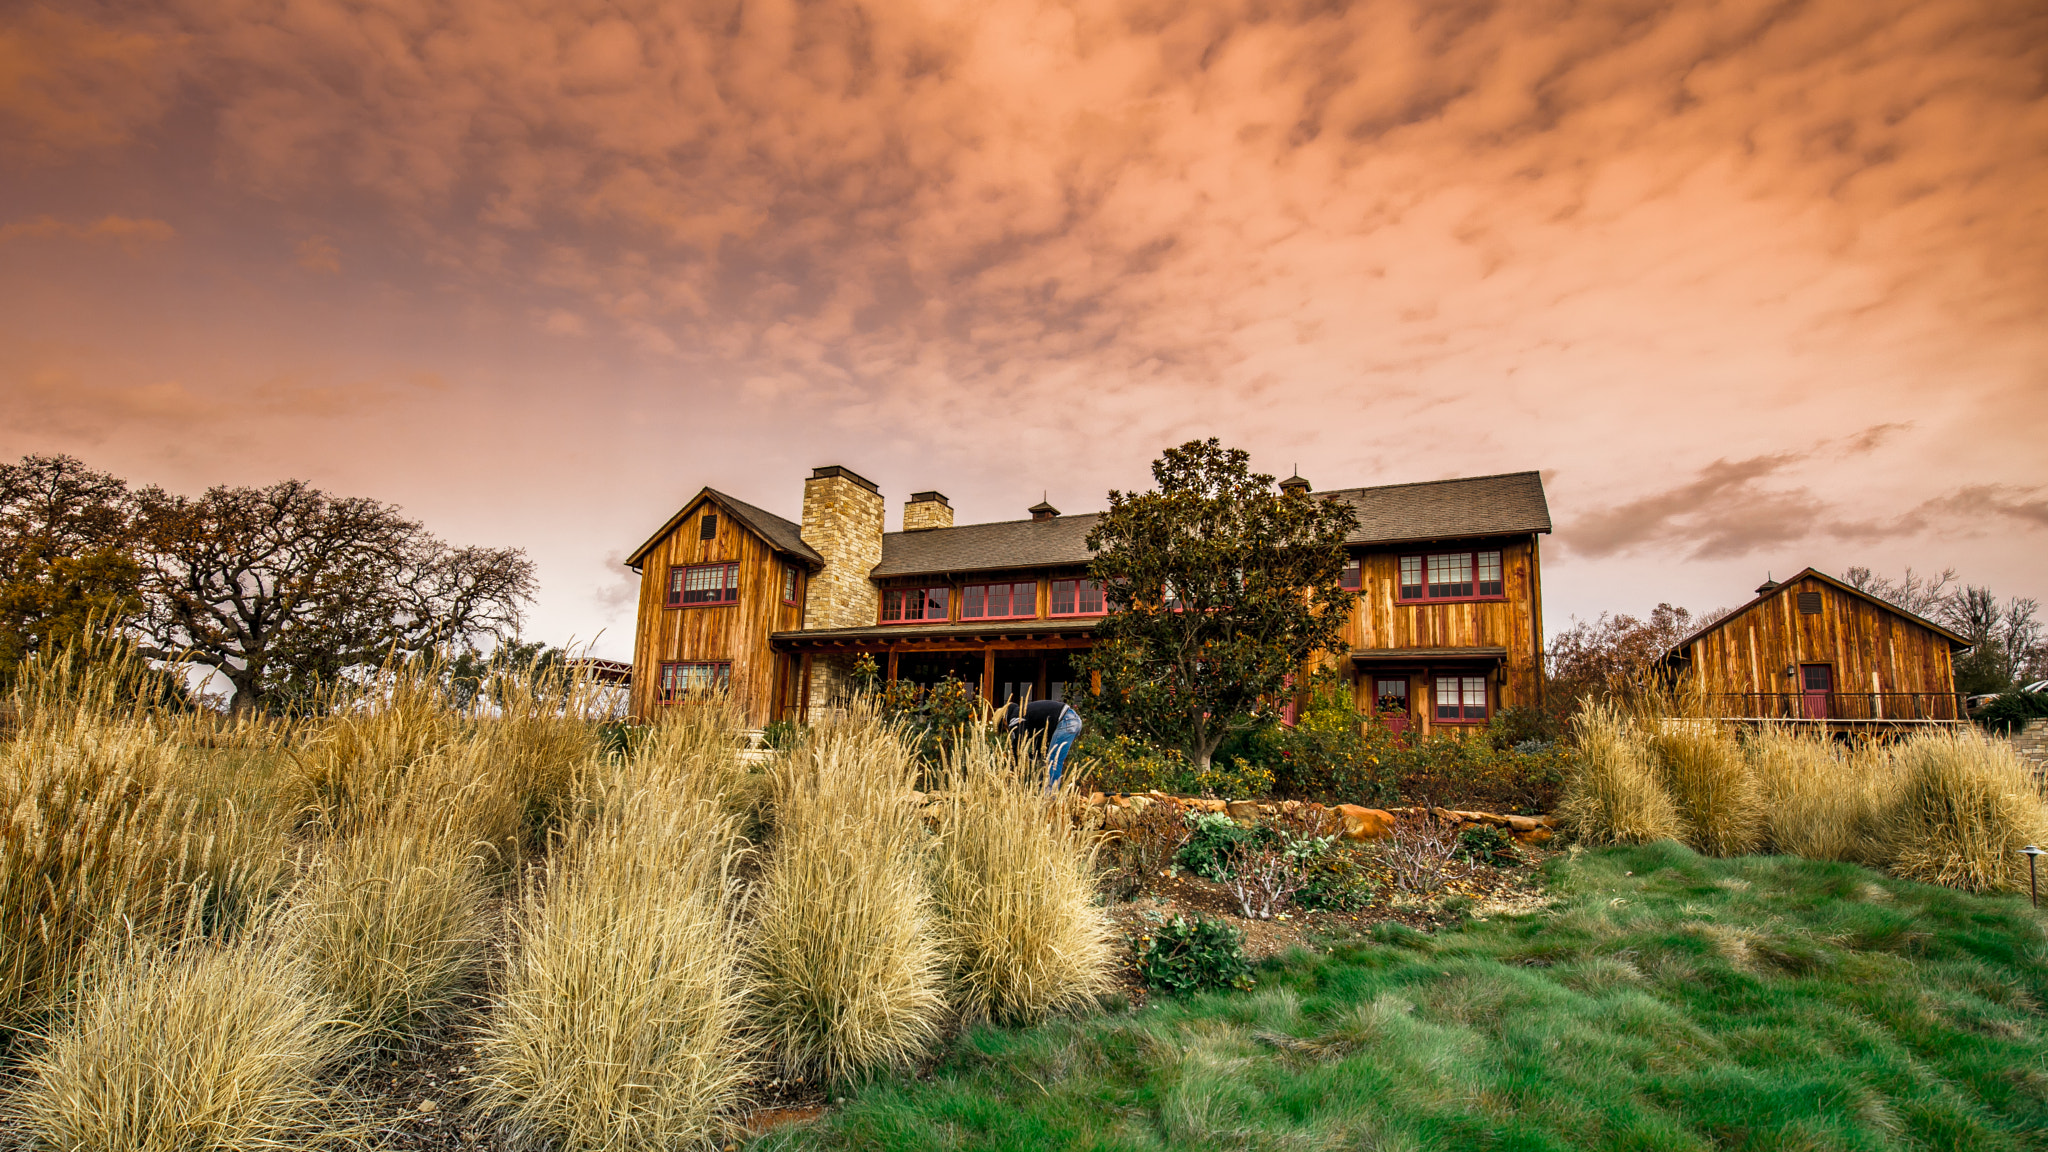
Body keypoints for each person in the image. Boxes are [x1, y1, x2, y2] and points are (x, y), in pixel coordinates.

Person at [1006, 697, 1083, 789]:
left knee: (1053, 761)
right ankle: (1044, 792)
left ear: (1004, 721)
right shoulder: (1027, 715)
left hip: (1066, 720)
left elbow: (1017, 744)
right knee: (1048, 760)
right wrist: (1032, 757)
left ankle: (1050, 798)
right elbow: (1039, 742)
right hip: (1072, 719)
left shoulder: (1015, 717)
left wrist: (1014, 765)